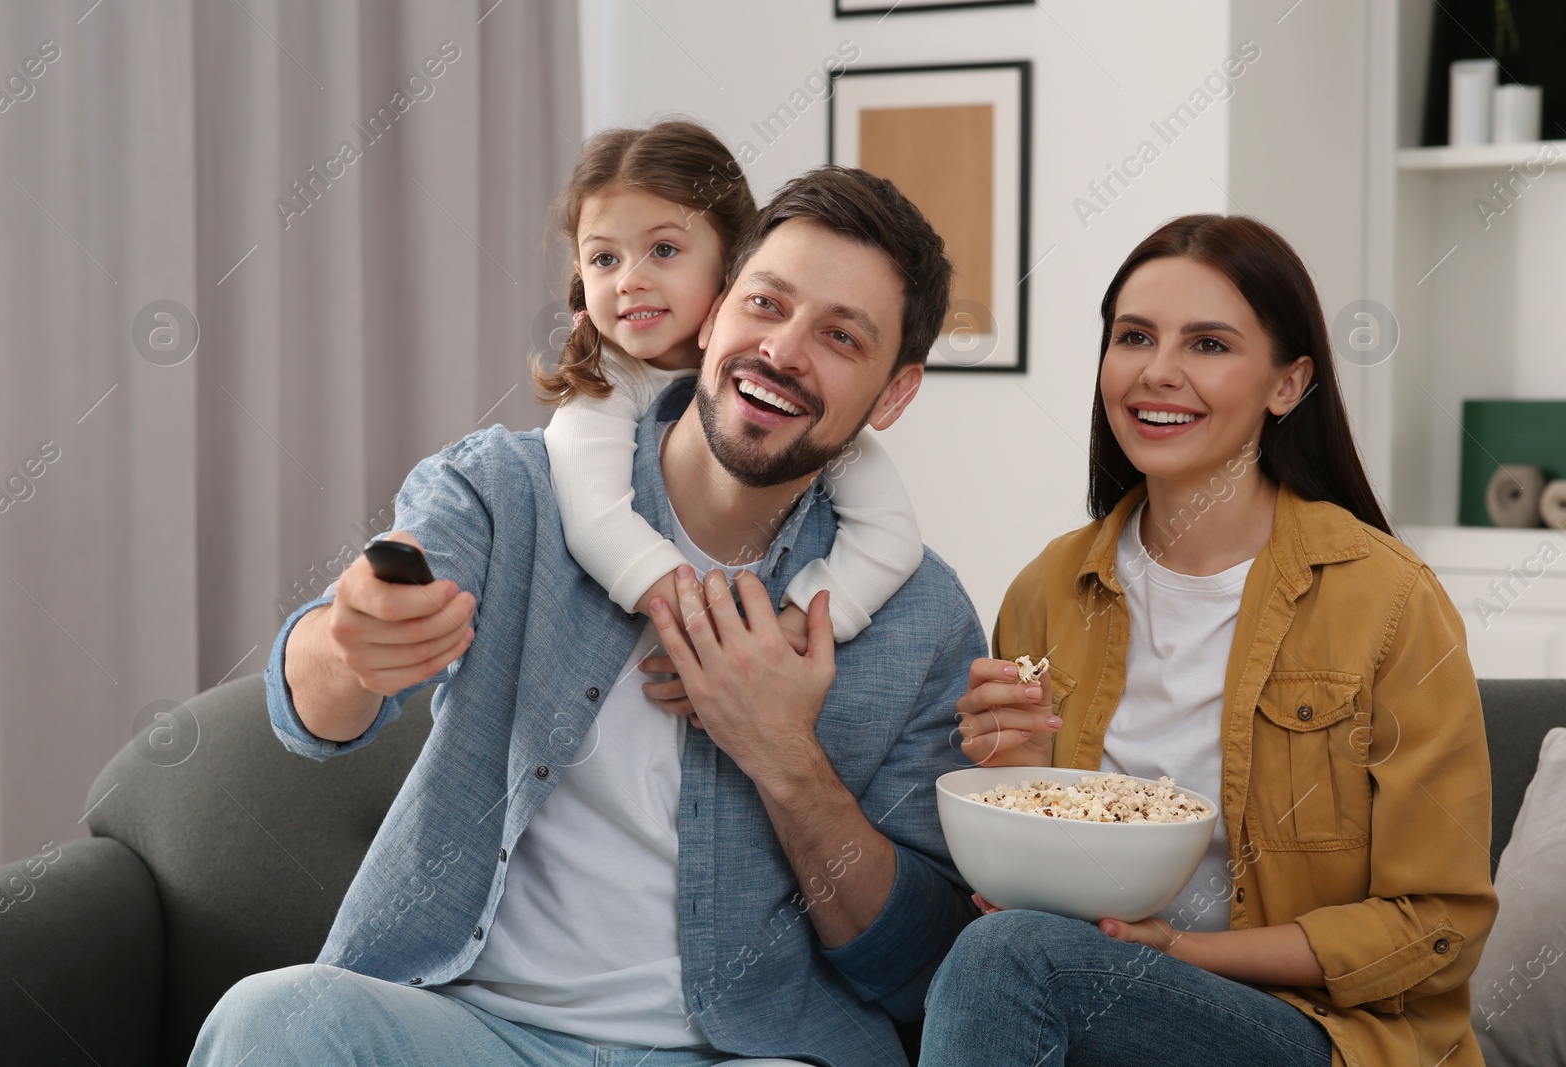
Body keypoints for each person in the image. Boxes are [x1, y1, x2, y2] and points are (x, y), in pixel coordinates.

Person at [188, 163, 982, 1067]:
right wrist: (351, 642)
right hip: (467, 1030)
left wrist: (786, 759)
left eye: (841, 336)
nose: (784, 350)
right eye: (767, 304)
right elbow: (312, 713)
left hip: (744, 1052)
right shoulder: (505, 491)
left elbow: (919, 967)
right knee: (276, 1017)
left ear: (893, 394)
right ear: (716, 308)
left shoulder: (925, 619)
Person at [922, 215, 1497, 1067]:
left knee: (1009, 959)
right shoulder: (1047, 590)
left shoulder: (1390, 601)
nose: (1159, 371)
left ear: (1288, 383)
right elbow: (1031, 905)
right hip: (1103, 1006)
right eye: (1134, 336)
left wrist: (1178, 952)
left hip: (1320, 1032)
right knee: (989, 957)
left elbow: (1438, 923)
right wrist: (1005, 779)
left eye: (1209, 344)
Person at [539, 118, 923, 644]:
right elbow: (597, 525)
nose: (629, 280)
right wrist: (715, 641)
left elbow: (892, 536)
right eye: (604, 259)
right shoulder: (601, 392)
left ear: (732, 264)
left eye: (665, 250)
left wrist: (793, 634)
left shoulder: (793, 402)